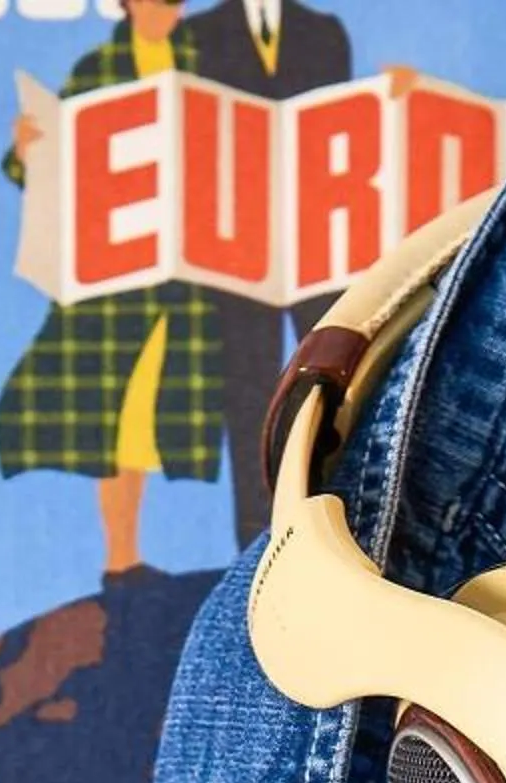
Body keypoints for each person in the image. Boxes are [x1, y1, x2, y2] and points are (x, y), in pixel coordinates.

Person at [0, 0, 223, 586]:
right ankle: (121, 557)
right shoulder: (98, 68)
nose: (163, 10)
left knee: (164, 410)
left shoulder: (207, 58)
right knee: (120, 420)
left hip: (191, 276)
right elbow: (53, 158)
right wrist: (25, 150)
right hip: (120, 280)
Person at [181, 0, 350, 547]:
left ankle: (335, 524)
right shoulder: (197, 34)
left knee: (333, 382)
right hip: (232, 245)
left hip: (314, 239)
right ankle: (255, 543)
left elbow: (342, 127)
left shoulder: (323, 33)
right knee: (247, 390)